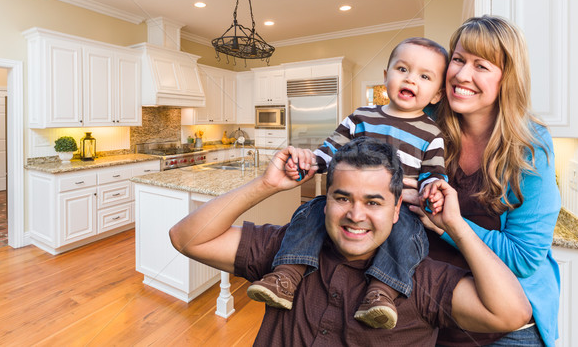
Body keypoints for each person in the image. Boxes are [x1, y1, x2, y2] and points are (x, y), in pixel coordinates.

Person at [169, 138, 532, 345]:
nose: (356, 215)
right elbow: (187, 238)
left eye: (373, 202)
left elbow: (511, 313)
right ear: (324, 202)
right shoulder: (287, 251)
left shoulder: (420, 280)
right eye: (342, 198)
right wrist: (265, 185)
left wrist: (454, 225)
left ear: (396, 211)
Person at [247, 37, 448, 329]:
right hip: (349, 199)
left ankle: (381, 293)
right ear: (386, 77)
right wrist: (309, 164)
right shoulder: (361, 117)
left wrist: (433, 191)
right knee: (312, 210)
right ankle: (286, 275)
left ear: (436, 95)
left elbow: (434, 174)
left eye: (424, 76)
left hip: (398, 208)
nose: (410, 79)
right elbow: (329, 151)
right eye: (402, 69)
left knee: (408, 232)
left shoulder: (432, 134)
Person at [414, 15, 561, 346]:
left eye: (482, 66)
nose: (462, 75)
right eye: (459, 59)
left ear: (506, 78)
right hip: (433, 307)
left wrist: (447, 225)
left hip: (507, 322)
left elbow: (523, 258)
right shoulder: (425, 123)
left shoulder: (530, 145)